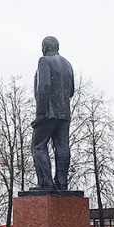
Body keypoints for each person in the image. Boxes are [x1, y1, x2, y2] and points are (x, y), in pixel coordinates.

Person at [30, 35, 74, 191]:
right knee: (62, 146)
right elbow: (71, 91)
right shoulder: (67, 65)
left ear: (44, 48)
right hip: (64, 113)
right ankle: (62, 183)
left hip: (48, 112)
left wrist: (41, 114)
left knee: (38, 146)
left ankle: (45, 183)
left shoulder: (44, 61)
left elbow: (43, 87)